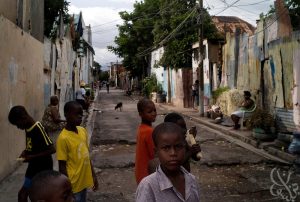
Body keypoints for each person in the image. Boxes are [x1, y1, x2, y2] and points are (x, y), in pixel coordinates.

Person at [136, 122, 201, 202]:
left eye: (178, 147)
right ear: (156, 152)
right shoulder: (148, 186)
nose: (173, 153)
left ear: (185, 148)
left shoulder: (192, 181)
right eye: (166, 148)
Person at [8, 106, 55, 202]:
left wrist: (32, 157)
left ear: (23, 118)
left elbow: (52, 149)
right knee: (22, 195)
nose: (18, 127)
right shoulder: (27, 128)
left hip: (43, 168)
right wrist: (25, 151)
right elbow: (33, 145)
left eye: (17, 124)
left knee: (38, 196)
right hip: (33, 167)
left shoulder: (38, 127)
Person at [56, 101, 98, 202]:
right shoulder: (63, 138)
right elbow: (62, 166)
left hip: (84, 181)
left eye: (81, 114)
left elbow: (86, 155)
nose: (80, 117)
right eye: (76, 114)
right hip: (73, 185)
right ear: (66, 115)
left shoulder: (82, 130)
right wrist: (67, 188)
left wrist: (93, 175)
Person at [135, 98, 157, 184]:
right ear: (141, 114)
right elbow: (154, 154)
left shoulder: (141, 128)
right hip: (148, 175)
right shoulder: (149, 131)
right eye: (149, 112)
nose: (154, 113)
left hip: (140, 173)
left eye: (154, 110)